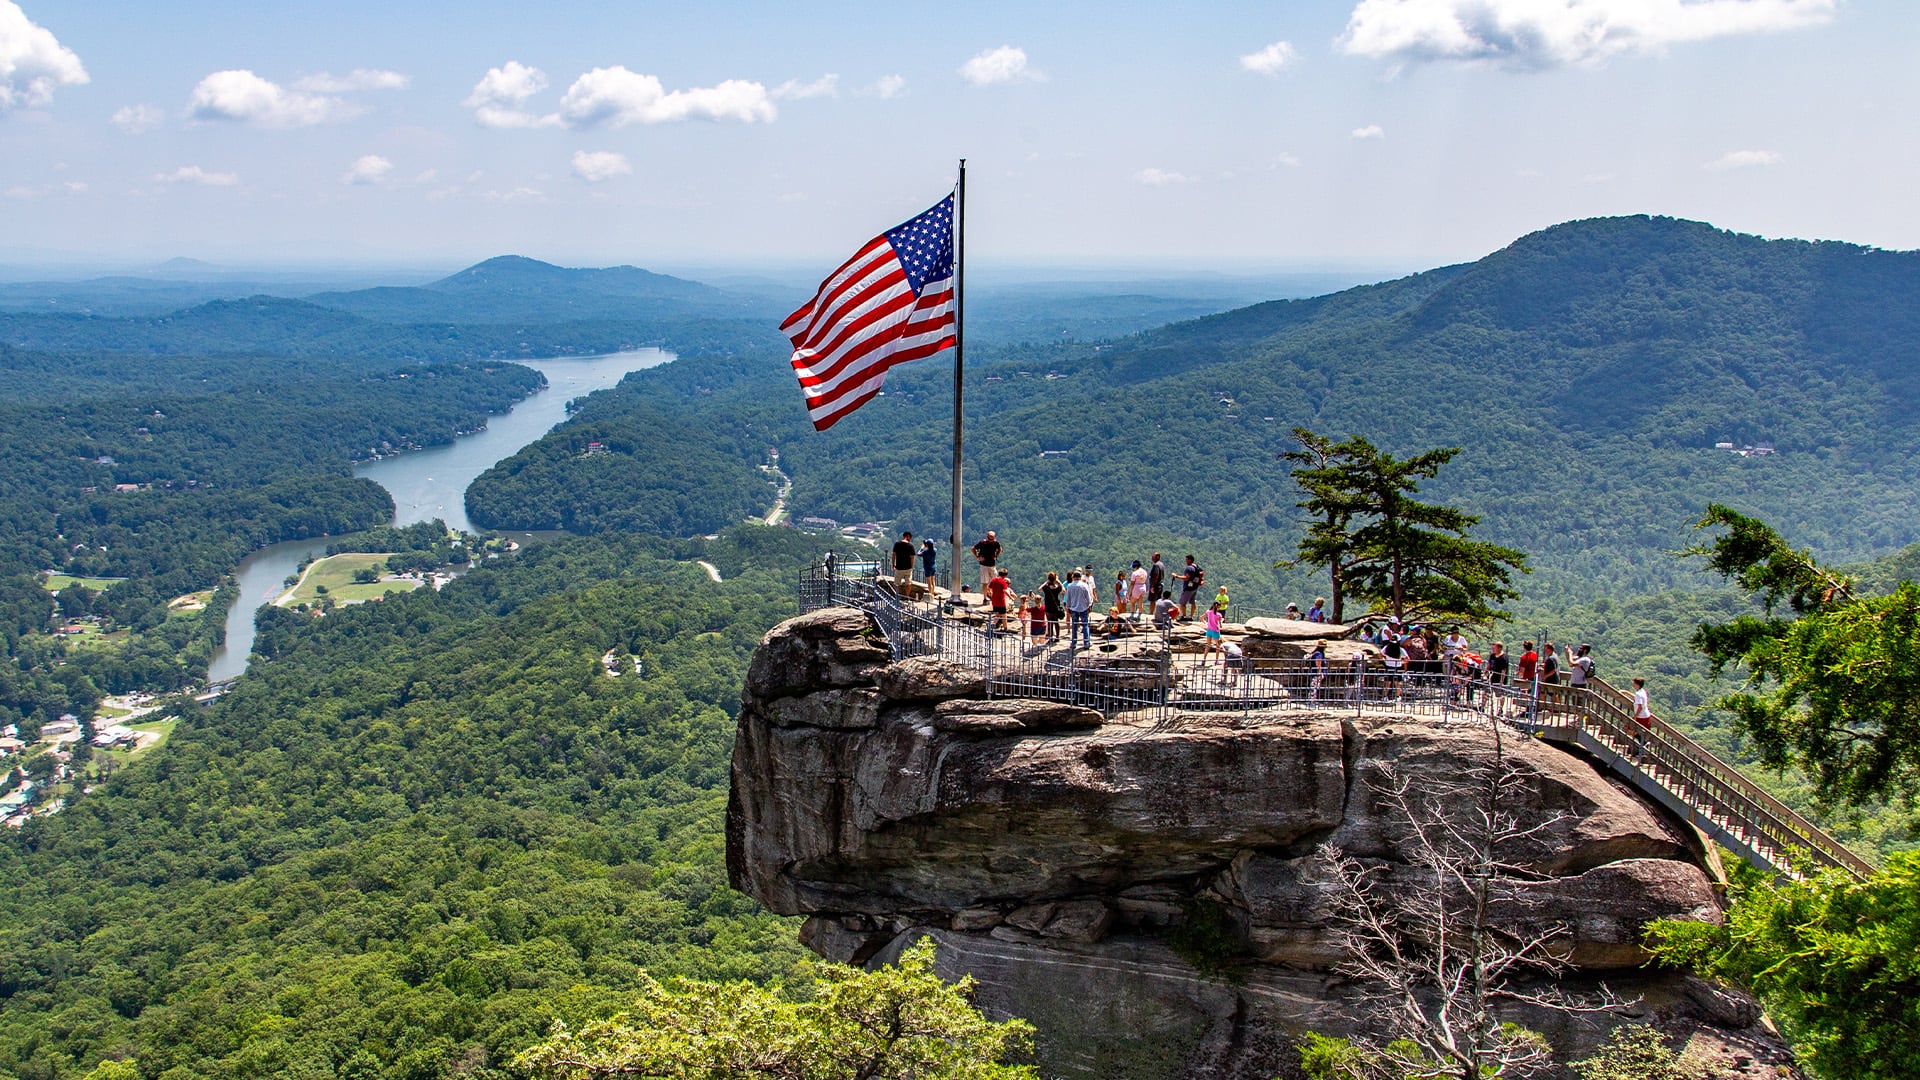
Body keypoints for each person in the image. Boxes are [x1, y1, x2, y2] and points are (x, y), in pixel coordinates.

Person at [1064, 570, 1095, 650]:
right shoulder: (1084, 585)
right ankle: (1086, 643)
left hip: (1073, 608)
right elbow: (1088, 597)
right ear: (1080, 577)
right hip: (1083, 607)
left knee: (1074, 625)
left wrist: (1068, 607)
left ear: (1073, 577)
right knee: (1085, 625)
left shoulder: (1070, 586)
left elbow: (1068, 598)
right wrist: (1089, 605)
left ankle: (1074, 643)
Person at [1631, 677, 1654, 759]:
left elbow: (1640, 706)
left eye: (1634, 682)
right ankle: (1642, 746)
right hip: (1646, 715)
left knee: (1630, 730)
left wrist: (1635, 717)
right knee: (1639, 732)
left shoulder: (1638, 694)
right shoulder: (1642, 691)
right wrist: (1626, 693)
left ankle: (1643, 744)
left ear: (1637, 684)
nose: (1632, 684)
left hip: (1641, 716)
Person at [1041, 572, 1066, 642]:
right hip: (1055, 607)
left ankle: (1050, 636)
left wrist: (1046, 582)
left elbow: (1039, 589)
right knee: (1056, 622)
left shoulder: (1046, 587)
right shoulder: (1057, 587)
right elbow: (1064, 590)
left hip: (1048, 607)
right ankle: (1057, 636)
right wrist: (1059, 581)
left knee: (1049, 622)